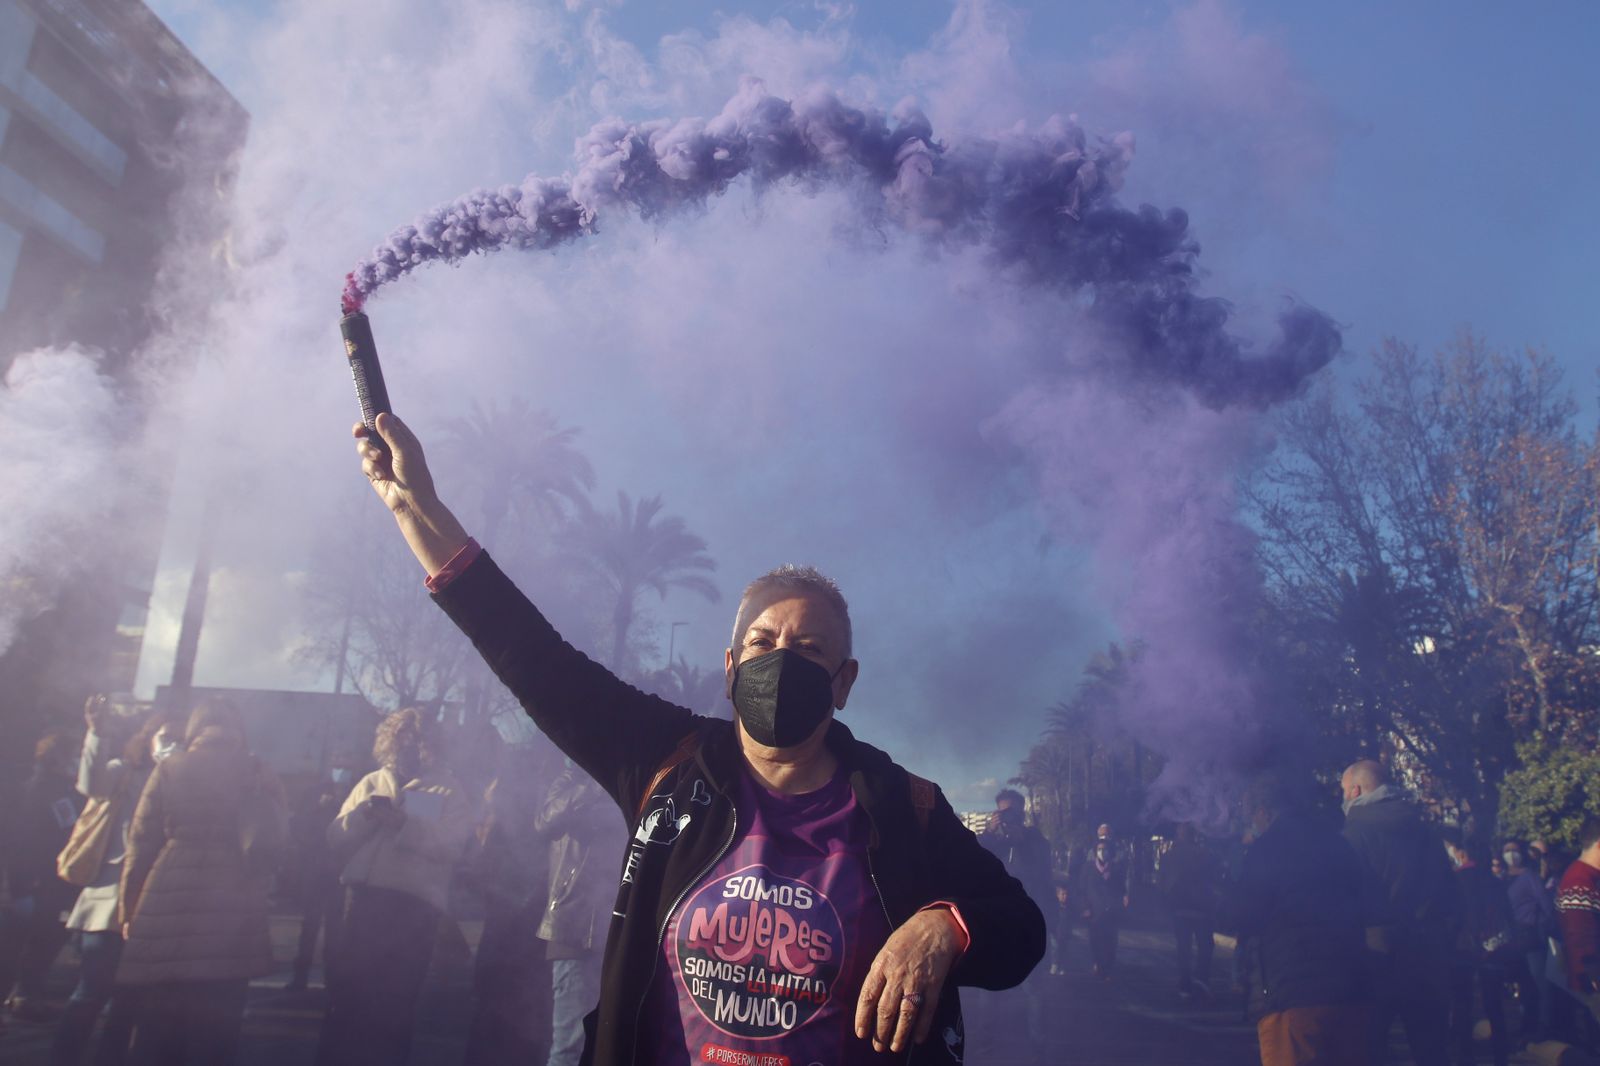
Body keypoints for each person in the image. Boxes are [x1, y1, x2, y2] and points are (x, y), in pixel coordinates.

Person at [353, 412, 1046, 1065]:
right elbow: (533, 656)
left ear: (843, 681)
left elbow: (1020, 928)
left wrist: (944, 929)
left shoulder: (904, 807)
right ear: (730, 667)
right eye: (763, 641)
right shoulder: (668, 763)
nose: (781, 660)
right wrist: (416, 508)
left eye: (808, 648)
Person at [115, 699, 288, 1066]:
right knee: (216, 1026)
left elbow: (141, 844)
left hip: (166, 899)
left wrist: (129, 909)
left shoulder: (168, 769)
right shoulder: (257, 771)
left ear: (195, 729)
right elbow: (279, 838)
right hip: (234, 902)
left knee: (156, 1023)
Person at [316, 707, 475, 1066]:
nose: (410, 746)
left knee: (395, 1002)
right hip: (360, 902)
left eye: (418, 739)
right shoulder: (371, 782)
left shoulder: (447, 790)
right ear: (389, 741)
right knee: (348, 997)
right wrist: (366, 817)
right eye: (402, 737)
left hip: (412, 909)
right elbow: (334, 837)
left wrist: (403, 823)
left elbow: (452, 844)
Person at [49, 703, 178, 1066]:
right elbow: (89, 783)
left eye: (179, 740)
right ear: (148, 738)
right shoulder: (125, 772)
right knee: (90, 993)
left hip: (151, 906)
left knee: (130, 1003)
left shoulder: (183, 783)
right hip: (106, 901)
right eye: (165, 737)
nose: (171, 746)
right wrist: (97, 733)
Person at [1221, 773, 1370, 1066]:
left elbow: (1243, 915)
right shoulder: (1338, 845)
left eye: (1253, 814)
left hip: (1291, 992)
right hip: (1351, 989)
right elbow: (1366, 903)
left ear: (1264, 812)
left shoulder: (1267, 850)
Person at [1340, 759, 1459, 1066]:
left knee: (1368, 1047)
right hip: (1428, 956)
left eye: (1343, 791)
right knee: (1431, 1050)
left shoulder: (1353, 834)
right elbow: (1450, 895)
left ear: (1355, 790)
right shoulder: (1425, 831)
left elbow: (1344, 899)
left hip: (1374, 956)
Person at [463, 747, 555, 1066]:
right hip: (523, 919)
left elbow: (479, 863)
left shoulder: (503, 803)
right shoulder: (537, 800)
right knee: (518, 1017)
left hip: (510, 919)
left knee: (498, 1014)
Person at [536, 764, 625, 1066]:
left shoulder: (634, 781)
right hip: (574, 930)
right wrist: (596, 783)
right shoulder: (573, 778)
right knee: (570, 1048)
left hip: (617, 934)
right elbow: (545, 821)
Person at [0, 731, 82, 1021]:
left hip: (47, 882)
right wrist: (22, 887)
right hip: (40, 882)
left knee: (41, 940)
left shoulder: (60, 792)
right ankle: (21, 995)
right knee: (24, 944)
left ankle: (26, 995)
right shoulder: (44, 791)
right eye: (74, 754)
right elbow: (26, 841)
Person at [974, 789, 1051, 1050]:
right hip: (996, 923)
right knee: (989, 986)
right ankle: (986, 1040)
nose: (1009, 818)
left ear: (1023, 812)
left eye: (1013, 812)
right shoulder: (990, 841)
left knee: (1033, 988)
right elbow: (972, 861)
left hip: (1027, 922)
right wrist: (989, 834)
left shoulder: (1034, 839)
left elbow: (1044, 867)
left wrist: (1024, 841)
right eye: (1003, 812)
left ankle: (1037, 1044)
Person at [1442, 835, 1510, 1066]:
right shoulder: (1495, 881)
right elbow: (1507, 917)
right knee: (1495, 1005)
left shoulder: (1455, 881)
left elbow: (1449, 917)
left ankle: (1465, 1054)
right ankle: (1500, 1055)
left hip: (1461, 950)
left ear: (1462, 854)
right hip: (1493, 948)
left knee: (1462, 1003)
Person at [284, 779, 345, 994]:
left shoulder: (313, 796)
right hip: (332, 870)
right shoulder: (346, 795)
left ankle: (304, 979)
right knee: (330, 927)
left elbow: (298, 828)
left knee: (314, 925)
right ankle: (328, 980)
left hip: (320, 869)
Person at [1504, 839, 1559, 1040]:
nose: (1510, 854)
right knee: (1523, 985)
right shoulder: (1503, 878)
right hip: (1512, 939)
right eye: (1507, 850)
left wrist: (1545, 929)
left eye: (1514, 850)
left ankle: (1544, 1026)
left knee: (1539, 983)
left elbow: (1546, 906)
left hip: (1530, 937)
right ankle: (1527, 1023)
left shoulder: (1529, 877)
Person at [1160, 822, 1219, 999]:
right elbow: (1215, 880)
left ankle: (1185, 984)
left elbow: (1162, 883)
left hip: (1179, 908)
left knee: (1183, 947)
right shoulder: (1205, 855)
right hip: (1201, 909)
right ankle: (1201, 979)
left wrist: (1167, 903)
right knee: (1205, 945)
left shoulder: (1169, 857)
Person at [1555, 817, 1600, 1025]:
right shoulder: (1579, 881)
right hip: (1593, 980)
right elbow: (1578, 933)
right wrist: (1588, 974)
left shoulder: (1589, 877)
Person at [1075, 835, 1128, 980]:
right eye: (1099, 849)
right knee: (1095, 941)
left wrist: (1121, 903)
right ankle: (1098, 963)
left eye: (1105, 849)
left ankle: (1108, 969)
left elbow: (1121, 889)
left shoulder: (1117, 869)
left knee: (1110, 942)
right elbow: (1081, 890)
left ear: (1111, 852)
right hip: (1093, 912)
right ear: (1095, 851)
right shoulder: (1088, 868)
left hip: (1111, 912)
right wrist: (1085, 907)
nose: (1102, 852)